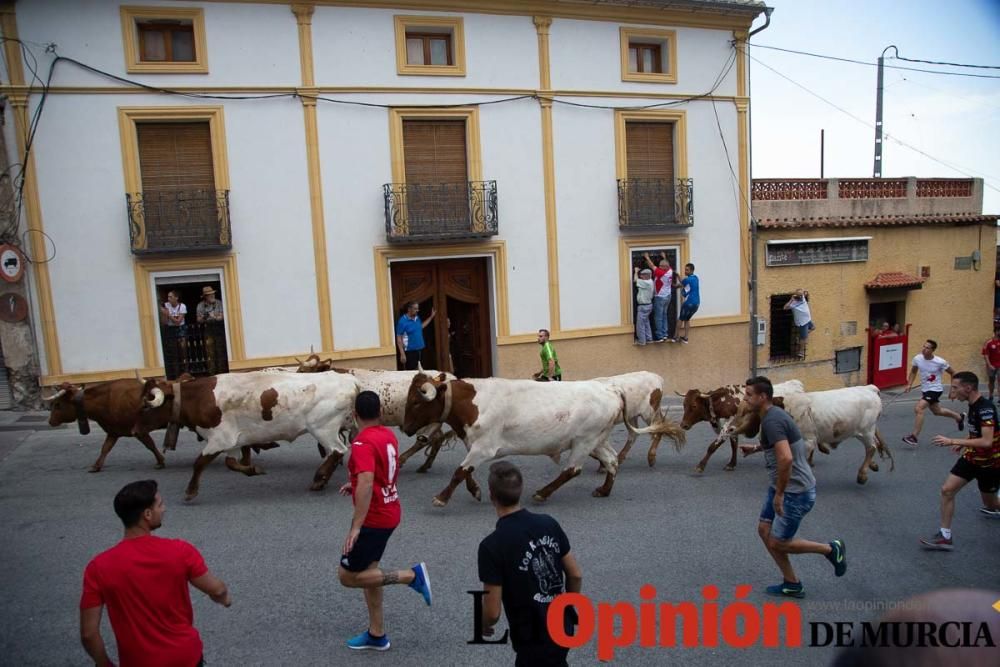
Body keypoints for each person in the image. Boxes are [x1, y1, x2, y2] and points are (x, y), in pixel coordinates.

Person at [79, 480, 231, 667]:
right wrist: (224, 599)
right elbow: (216, 589)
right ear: (147, 514)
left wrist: (104, 664)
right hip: (185, 656)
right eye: (160, 505)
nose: (164, 509)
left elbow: (88, 634)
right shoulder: (180, 551)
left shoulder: (98, 567)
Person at [338, 391, 432, 651]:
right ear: (380, 412)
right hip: (390, 508)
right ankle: (377, 634)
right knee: (369, 572)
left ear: (355, 415)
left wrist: (356, 526)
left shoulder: (361, 443)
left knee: (347, 576)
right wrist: (354, 482)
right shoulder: (387, 435)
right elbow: (379, 472)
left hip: (374, 518)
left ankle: (411, 576)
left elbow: (368, 481)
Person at [738, 376, 846, 598]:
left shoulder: (771, 420)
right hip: (781, 486)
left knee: (778, 542)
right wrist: (758, 448)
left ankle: (830, 549)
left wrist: (779, 494)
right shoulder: (771, 416)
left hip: (795, 492)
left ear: (763, 397)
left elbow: (786, 458)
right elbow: (783, 443)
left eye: (749, 395)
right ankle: (792, 583)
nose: (744, 398)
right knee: (764, 531)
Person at [478, 461, 583, 666]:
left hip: (532, 637)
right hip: (562, 626)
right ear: (520, 490)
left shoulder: (492, 545)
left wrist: (483, 624)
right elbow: (575, 574)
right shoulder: (548, 523)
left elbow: (492, 612)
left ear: (491, 496)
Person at [919, 371, 1000, 550]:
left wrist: (953, 441)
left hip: (989, 464)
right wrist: (964, 443)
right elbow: (977, 433)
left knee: (991, 503)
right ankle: (945, 536)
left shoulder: (985, 408)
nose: (953, 392)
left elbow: (987, 441)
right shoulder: (972, 405)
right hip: (971, 458)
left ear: (968, 388)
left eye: (955, 388)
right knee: (947, 490)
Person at [901, 339, 964, 447]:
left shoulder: (940, 362)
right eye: (924, 347)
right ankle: (958, 417)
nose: (924, 349)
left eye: (927, 348)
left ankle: (914, 437)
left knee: (919, 408)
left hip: (935, 389)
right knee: (937, 411)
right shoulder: (918, 358)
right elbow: (913, 371)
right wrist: (909, 384)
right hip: (926, 390)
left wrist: (953, 390)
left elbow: (953, 373)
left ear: (932, 350)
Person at [395, 301, 436, 371]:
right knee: (412, 373)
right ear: (409, 309)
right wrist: (402, 353)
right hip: (410, 352)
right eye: (415, 309)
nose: (417, 310)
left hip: (421, 349)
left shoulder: (417, 318)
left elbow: (421, 326)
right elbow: (399, 339)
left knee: (422, 371)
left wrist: (431, 317)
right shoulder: (402, 321)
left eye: (418, 309)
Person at [642, 251, 673, 342]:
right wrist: (664, 257)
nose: (659, 267)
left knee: (658, 317)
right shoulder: (670, 271)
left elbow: (652, 266)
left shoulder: (661, 273)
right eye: (659, 266)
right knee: (664, 315)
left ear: (665, 267)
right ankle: (665, 334)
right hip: (668, 296)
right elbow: (666, 264)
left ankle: (659, 336)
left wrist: (647, 257)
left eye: (661, 266)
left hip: (660, 297)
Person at [196, 286, 225, 374]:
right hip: (208, 329)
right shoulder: (200, 305)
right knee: (210, 352)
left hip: (219, 328)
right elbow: (198, 320)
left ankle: (222, 373)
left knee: (220, 351)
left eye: (212, 294)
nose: (212, 295)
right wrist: (205, 317)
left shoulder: (219, 303)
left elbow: (222, 317)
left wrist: (214, 317)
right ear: (205, 296)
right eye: (209, 295)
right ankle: (212, 373)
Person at [161, 290, 188, 377]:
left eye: (171, 297)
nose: (169, 299)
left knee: (183, 353)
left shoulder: (182, 306)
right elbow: (164, 322)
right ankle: (176, 374)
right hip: (170, 330)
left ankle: (185, 373)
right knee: (174, 354)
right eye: (168, 297)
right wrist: (165, 315)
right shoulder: (166, 305)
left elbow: (178, 322)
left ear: (176, 298)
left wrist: (168, 315)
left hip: (181, 330)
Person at [783, 289, 814, 358]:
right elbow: (784, 307)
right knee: (804, 338)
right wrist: (791, 300)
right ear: (795, 296)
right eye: (798, 295)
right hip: (802, 322)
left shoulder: (802, 298)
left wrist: (805, 293)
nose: (800, 296)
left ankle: (799, 337)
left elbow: (806, 292)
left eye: (800, 295)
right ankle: (801, 352)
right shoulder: (793, 304)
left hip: (808, 319)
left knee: (813, 328)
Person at [674, 262, 700, 344]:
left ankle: (675, 337)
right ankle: (686, 337)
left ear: (692, 270)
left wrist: (676, 277)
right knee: (687, 319)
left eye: (687, 270)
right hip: (696, 304)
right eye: (685, 269)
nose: (685, 271)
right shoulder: (696, 278)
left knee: (680, 319)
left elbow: (680, 283)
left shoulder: (687, 279)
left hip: (689, 303)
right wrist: (678, 281)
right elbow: (684, 285)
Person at [633, 266, 654, 346]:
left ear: (647, 275)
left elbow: (635, 280)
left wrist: (635, 271)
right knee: (646, 323)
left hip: (644, 306)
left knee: (640, 324)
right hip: (648, 305)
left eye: (642, 275)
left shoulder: (647, 282)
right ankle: (649, 338)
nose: (640, 276)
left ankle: (642, 341)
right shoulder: (650, 281)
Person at [981, 329, 1000, 402]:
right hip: (991, 365)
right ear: (995, 332)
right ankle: (991, 395)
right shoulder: (988, 342)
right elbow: (985, 355)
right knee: (991, 381)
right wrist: (989, 365)